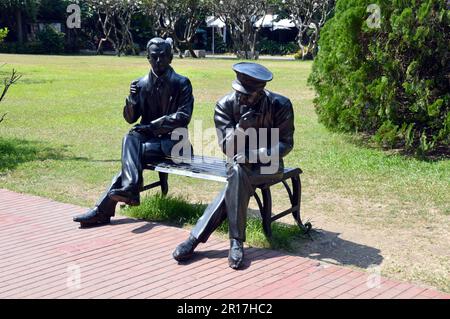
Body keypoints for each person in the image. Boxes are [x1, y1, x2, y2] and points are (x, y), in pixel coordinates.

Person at [172, 62, 295, 269]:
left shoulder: (280, 105)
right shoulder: (225, 105)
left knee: (237, 177)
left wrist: (253, 155)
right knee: (238, 172)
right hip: (237, 163)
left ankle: (196, 239)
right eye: (238, 91)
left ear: (260, 92)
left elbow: (286, 143)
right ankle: (235, 242)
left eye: (247, 95)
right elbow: (227, 149)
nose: (241, 97)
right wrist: (241, 128)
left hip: (269, 165)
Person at [73, 37, 194, 227]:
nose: (158, 60)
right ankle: (129, 187)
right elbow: (130, 119)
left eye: (163, 56)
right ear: (147, 58)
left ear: (171, 58)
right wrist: (131, 99)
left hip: (175, 144)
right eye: (154, 57)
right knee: (130, 137)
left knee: (132, 158)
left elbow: (183, 117)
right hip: (147, 142)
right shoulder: (141, 84)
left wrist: (151, 126)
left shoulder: (182, 83)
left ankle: (110, 204)